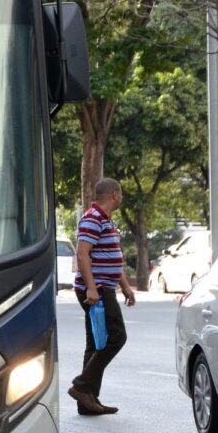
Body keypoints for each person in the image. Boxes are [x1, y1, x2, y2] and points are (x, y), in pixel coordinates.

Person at [68, 178, 136, 416]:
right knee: (117, 337)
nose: (122, 197)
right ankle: (81, 386)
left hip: (105, 287)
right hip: (97, 290)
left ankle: (87, 400)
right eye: (121, 194)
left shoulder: (107, 220)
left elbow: (112, 256)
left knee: (95, 343)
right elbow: (83, 253)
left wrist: (125, 286)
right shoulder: (92, 218)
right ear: (115, 194)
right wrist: (92, 288)